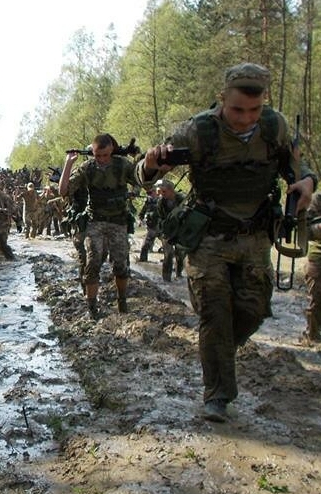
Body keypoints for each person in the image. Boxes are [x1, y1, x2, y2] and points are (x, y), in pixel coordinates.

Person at [137, 62, 316, 422]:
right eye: (237, 110)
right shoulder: (198, 130)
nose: (245, 119)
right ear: (222, 99)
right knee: (215, 311)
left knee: (253, 309)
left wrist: (307, 183)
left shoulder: (275, 126)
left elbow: (300, 167)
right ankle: (217, 395)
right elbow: (143, 174)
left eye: (254, 110)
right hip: (209, 238)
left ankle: (218, 351)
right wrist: (153, 164)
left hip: (255, 236)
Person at [60, 133, 138, 317]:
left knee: (120, 265)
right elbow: (63, 190)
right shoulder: (87, 168)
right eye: (97, 156)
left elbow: (140, 181)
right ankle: (92, 308)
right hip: (96, 220)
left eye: (105, 155)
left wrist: (133, 191)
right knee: (93, 263)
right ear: (92, 153)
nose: (102, 159)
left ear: (112, 150)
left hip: (118, 221)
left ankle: (122, 300)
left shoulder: (122, 165)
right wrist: (68, 164)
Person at [155, 179, 187, 281]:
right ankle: (166, 278)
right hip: (167, 231)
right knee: (168, 254)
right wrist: (161, 233)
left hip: (180, 230)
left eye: (164, 191)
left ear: (171, 190)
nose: (162, 194)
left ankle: (179, 274)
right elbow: (160, 218)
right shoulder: (161, 202)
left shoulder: (182, 199)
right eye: (161, 191)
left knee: (180, 254)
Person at [302, 191, 321, 348]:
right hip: (318, 258)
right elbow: (305, 230)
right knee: (316, 299)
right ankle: (312, 336)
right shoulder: (318, 199)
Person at [137, 188, 160, 262]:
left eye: (152, 192)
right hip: (152, 225)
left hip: (161, 225)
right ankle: (143, 260)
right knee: (146, 244)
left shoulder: (162, 200)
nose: (150, 194)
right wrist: (141, 220)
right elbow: (142, 212)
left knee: (168, 246)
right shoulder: (149, 201)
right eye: (149, 193)